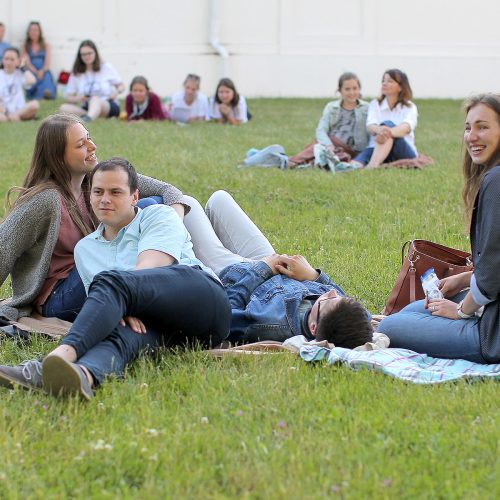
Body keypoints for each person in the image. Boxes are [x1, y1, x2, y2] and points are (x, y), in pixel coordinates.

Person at [0, 158, 231, 399]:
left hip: (203, 300)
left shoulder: (158, 216)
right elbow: (105, 306)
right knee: (122, 336)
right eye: (98, 192)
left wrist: (127, 301)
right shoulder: (85, 249)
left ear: (134, 196)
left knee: (110, 281)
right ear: (90, 197)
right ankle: (83, 375)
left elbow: (150, 269)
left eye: (115, 192)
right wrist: (121, 310)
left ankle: (55, 358)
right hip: (166, 328)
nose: (105, 199)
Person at [0, 114, 188, 323]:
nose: (92, 146)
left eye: (89, 138)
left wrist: (172, 230)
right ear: (58, 157)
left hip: (100, 265)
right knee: (148, 210)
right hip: (62, 294)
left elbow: (168, 191)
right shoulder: (45, 200)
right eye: (81, 144)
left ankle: (160, 287)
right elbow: (3, 246)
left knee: (149, 205)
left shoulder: (95, 179)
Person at [377, 93, 500, 364]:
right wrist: (465, 278)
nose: (472, 136)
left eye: (483, 127)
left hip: (492, 335)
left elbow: (492, 278)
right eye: (468, 128)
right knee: (412, 311)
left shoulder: (496, 182)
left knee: (389, 327)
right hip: (491, 306)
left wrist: (461, 312)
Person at [183, 191, 373, 345]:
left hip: (233, 271)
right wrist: (313, 276)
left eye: (328, 300)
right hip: (270, 262)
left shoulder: (270, 323)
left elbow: (224, 313)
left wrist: (262, 269)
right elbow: (343, 301)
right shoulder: (351, 318)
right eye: (339, 297)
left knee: (185, 203)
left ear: (313, 328)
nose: (332, 292)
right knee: (220, 199)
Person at [338, 69, 418, 170]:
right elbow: (371, 126)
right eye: (383, 81)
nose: (384, 84)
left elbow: (405, 128)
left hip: (403, 151)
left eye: (389, 81)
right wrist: (379, 130)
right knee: (357, 162)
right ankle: (348, 166)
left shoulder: (410, 107)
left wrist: (385, 131)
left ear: (400, 87)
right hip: (377, 148)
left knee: (387, 124)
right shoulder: (375, 104)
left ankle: (372, 167)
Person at [287, 72, 369, 168]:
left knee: (319, 143)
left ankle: (294, 161)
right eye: (347, 89)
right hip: (332, 147)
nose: (351, 92)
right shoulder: (331, 107)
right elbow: (321, 130)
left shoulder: (367, 108)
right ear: (340, 90)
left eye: (355, 88)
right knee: (321, 143)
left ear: (359, 89)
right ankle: (311, 161)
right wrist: (329, 145)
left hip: (353, 149)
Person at [60, 40, 124, 122]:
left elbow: (121, 86)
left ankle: (87, 119)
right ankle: (90, 116)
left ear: (95, 53)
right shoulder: (77, 73)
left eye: (89, 53)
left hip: (107, 104)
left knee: (95, 99)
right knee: (63, 108)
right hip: (87, 106)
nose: (87, 57)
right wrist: (78, 98)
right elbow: (69, 96)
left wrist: (116, 91)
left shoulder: (106, 67)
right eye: (83, 54)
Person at [0, 47, 39, 122]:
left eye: (12, 59)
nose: (8, 62)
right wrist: (6, 113)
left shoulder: (21, 73)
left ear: (18, 61)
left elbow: (32, 81)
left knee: (35, 104)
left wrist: (23, 67)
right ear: (2, 60)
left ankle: (15, 117)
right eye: (6, 59)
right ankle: (18, 119)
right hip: (4, 111)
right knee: (2, 118)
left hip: (20, 110)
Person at [21, 21, 57, 100]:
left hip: (44, 70)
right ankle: (37, 94)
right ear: (28, 32)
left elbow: (47, 63)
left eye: (36, 30)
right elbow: (25, 62)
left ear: (40, 32)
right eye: (31, 30)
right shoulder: (25, 45)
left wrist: (41, 71)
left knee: (46, 77)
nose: (33, 32)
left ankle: (47, 93)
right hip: (31, 70)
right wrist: (35, 72)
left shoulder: (46, 45)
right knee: (32, 80)